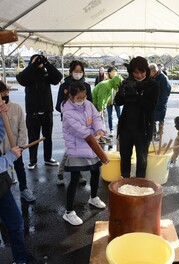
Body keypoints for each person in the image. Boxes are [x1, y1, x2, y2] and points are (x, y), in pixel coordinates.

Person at [61, 81, 107, 226]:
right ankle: (68, 212)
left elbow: (96, 118)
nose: (82, 100)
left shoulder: (88, 104)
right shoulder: (67, 111)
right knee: (74, 179)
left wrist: (100, 129)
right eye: (78, 98)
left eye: (84, 96)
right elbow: (80, 130)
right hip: (76, 147)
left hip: (91, 144)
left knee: (95, 172)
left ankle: (93, 197)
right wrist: (94, 136)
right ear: (71, 96)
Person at [115, 56, 159, 178]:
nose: (139, 75)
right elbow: (118, 102)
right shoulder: (127, 83)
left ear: (147, 71)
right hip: (126, 128)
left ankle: (140, 184)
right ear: (131, 72)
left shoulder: (153, 85)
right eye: (136, 72)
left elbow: (151, 106)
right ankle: (124, 181)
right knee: (124, 157)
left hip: (143, 129)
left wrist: (137, 96)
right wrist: (121, 93)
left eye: (142, 72)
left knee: (142, 159)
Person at [16, 54, 62, 170]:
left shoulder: (46, 74)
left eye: (39, 61)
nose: (38, 62)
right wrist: (34, 64)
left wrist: (46, 63)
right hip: (32, 113)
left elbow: (58, 77)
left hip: (47, 112)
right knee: (33, 138)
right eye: (35, 60)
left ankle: (48, 158)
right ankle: (32, 160)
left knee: (48, 137)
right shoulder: (28, 75)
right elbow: (20, 78)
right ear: (31, 63)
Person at [55, 60, 92, 186]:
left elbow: (90, 105)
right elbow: (58, 106)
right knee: (71, 148)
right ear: (71, 71)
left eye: (80, 71)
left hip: (83, 123)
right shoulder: (64, 86)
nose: (78, 73)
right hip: (69, 123)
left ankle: (78, 172)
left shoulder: (86, 86)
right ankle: (60, 173)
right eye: (75, 71)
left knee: (78, 148)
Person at [0, 101, 27, 264]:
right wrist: (9, 157)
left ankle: (21, 259)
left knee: (16, 222)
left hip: (1, 185)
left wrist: (1, 118)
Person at [0, 81, 36, 202]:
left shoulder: (16, 108)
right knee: (3, 173)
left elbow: (22, 127)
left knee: (19, 167)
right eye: (1, 94)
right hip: (1, 151)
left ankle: (24, 188)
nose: (4, 96)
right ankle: (5, 193)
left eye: (5, 93)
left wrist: (21, 145)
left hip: (15, 147)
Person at [92, 75, 122, 143]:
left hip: (98, 105)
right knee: (98, 121)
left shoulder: (109, 85)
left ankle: (101, 136)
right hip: (95, 104)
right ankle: (98, 138)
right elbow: (100, 98)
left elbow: (105, 99)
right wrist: (100, 109)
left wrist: (103, 107)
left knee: (100, 121)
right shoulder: (106, 86)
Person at [149, 63, 171, 141]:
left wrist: (161, 101)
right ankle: (153, 133)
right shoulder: (151, 77)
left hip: (161, 102)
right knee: (152, 119)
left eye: (150, 72)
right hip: (153, 102)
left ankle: (159, 134)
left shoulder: (163, 78)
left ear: (154, 71)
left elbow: (166, 91)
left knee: (161, 120)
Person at [106, 66, 122, 137]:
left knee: (119, 115)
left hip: (117, 100)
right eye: (112, 71)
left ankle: (121, 130)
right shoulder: (106, 80)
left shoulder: (119, 79)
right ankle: (111, 130)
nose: (114, 73)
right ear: (109, 73)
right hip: (109, 101)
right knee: (110, 116)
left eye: (115, 71)